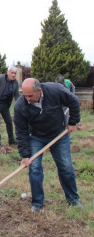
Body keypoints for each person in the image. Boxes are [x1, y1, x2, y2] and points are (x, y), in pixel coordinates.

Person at [14, 78, 83, 213]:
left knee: (66, 167)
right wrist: (25, 155)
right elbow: (21, 132)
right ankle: (37, 203)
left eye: (30, 95)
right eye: (24, 95)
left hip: (59, 134)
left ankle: (73, 199)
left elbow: (73, 101)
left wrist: (73, 121)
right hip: (36, 137)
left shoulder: (55, 90)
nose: (27, 99)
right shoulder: (20, 105)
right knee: (34, 168)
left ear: (39, 91)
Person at [0, 65, 20, 147]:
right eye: (12, 73)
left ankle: (11, 140)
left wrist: (20, 106)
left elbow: (17, 96)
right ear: (7, 72)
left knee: (9, 121)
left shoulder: (15, 83)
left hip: (5, 104)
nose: (14, 75)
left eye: (15, 73)